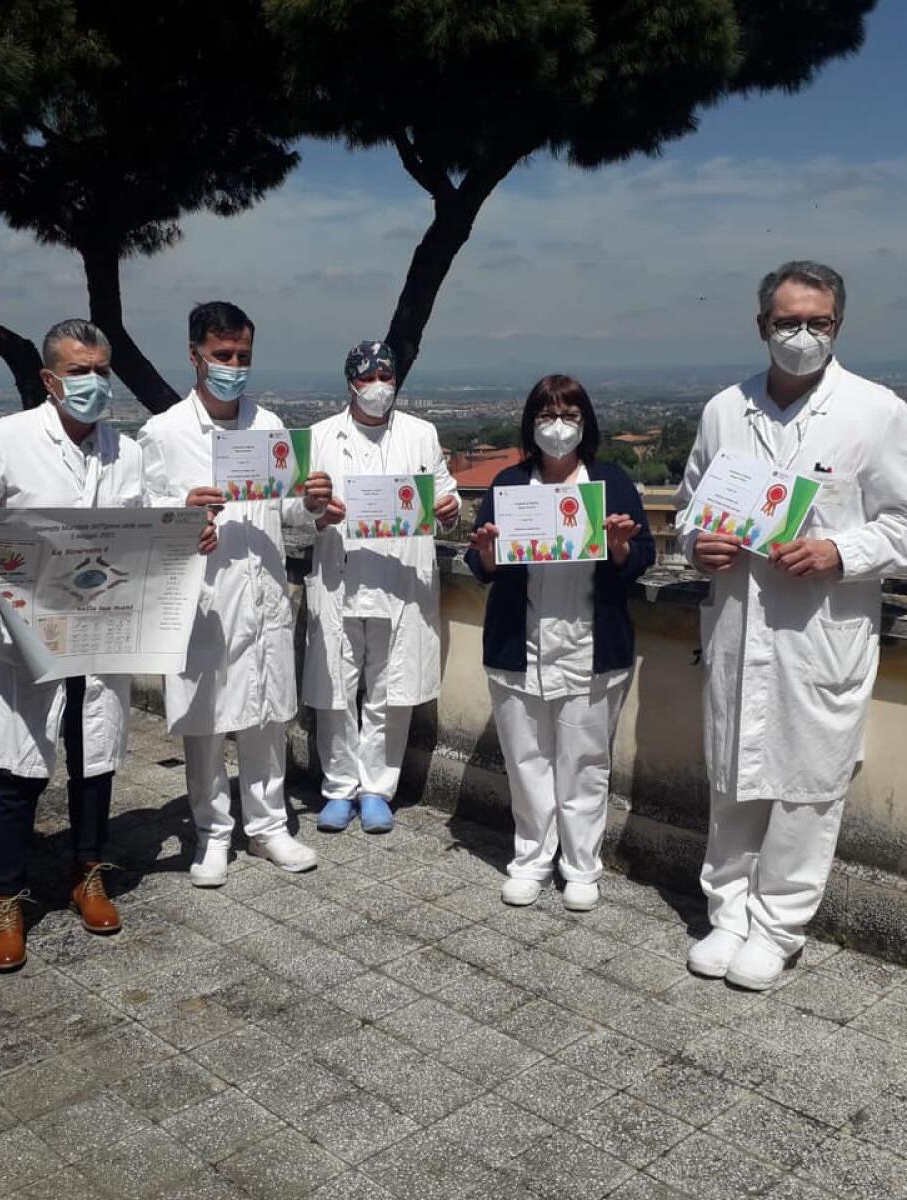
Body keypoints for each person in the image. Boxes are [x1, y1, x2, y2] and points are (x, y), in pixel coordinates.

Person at [676, 261, 907, 989]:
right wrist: (698, 544)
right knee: (732, 776)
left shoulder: (875, 411)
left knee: (806, 787)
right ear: (762, 325)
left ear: (838, 326)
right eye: (788, 321)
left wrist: (838, 550)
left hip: (819, 632)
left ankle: (780, 925)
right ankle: (726, 913)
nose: (802, 335)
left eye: (817, 322)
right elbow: (692, 510)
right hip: (737, 626)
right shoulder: (723, 411)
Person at [0, 320, 206, 970]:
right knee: (18, 772)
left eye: (101, 370)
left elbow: (150, 522)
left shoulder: (127, 451)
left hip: (100, 633)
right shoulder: (5, 440)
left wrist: (190, 528)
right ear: (49, 379)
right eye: (79, 371)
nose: (93, 383)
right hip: (29, 637)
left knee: (95, 761)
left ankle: (88, 871)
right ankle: (8, 898)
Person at [139, 301, 329, 885]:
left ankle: (269, 826)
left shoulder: (270, 428)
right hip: (205, 601)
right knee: (206, 722)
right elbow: (142, 519)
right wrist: (179, 512)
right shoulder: (164, 433)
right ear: (195, 355)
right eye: (222, 355)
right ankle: (212, 830)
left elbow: (288, 511)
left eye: (243, 356)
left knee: (267, 716)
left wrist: (312, 502)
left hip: (265, 590)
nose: (233, 366)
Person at [466, 375, 654, 910]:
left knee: (585, 762)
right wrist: (485, 553)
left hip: (592, 646)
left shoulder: (612, 484)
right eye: (547, 414)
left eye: (569, 415)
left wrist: (619, 548)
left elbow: (642, 558)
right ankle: (530, 859)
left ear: (585, 423)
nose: (558, 426)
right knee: (526, 761)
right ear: (531, 423)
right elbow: (482, 566)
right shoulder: (508, 484)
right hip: (517, 645)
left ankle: (581, 867)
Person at [302, 340, 460, 833]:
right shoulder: (320, 436)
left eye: (385, 377)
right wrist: (313, 511)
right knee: (336, 690)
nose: (377, 387)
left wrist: (450, 508)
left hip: (400, 582)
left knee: (390, 692)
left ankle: (377, 790)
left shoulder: (421, 433)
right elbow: (295, 507)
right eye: (368, 378)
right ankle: (338, 788)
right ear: (350, 382)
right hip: (340, 580)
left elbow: (444, 490)